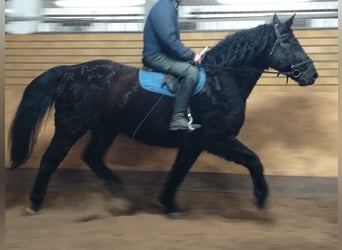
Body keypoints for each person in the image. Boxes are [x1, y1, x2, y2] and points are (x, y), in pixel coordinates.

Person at [142, 0, 202, 131]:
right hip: (155, 56)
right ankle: (178, 117)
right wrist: (191, 56)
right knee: (191, 72)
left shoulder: (170, 6)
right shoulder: (164, 7)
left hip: (164, 55)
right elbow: (170, 40)